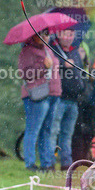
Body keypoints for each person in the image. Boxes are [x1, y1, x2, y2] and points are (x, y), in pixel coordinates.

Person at [18, 32, 60, 171]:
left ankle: (46, 163)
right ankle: (30, 163)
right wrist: (43, 67)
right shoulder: (27, 50)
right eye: (42, 34)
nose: (46, 37)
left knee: (46, 130)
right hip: (36, 95)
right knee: (33, 130)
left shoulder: (49, 49)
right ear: (33, 35)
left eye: (47, 34)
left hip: (52, 94)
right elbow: (25, 73)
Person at [48, 28, 84, 170]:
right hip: (59, 99)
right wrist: (63, 65)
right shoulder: (53, 49)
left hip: (74, 100)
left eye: (71, 33)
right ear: (58, 34)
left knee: (67, 134)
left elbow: (80, 72)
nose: (68, 37)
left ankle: (66, 163)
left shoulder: (75, 52)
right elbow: (50, 69)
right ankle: (50, 162)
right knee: (53, 131)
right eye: (65, 33)